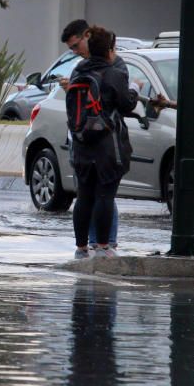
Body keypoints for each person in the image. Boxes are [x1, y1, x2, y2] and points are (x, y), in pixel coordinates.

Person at [68, 27, 137, 259]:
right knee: (105, 196)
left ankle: (81, 247)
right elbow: (127, 104)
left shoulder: (78, 71)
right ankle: (103, 246)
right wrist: (135, 88)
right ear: (109, 50)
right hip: (107, 145)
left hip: (81, 142)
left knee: (84, 195)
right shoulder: (113, 74)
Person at [60, 19, 120, 251]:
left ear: (88, 36)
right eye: (71, 49)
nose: (75, 52)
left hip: (101, 142)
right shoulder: (81, 69)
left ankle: (99, 244)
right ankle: (93, 245)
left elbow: (118, 102)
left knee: (100, 195)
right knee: (91, 195)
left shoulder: (113, 67)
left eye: (76, 46)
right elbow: (124, 100)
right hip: (86, 141)